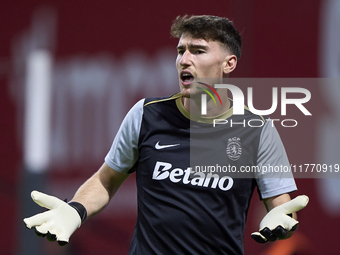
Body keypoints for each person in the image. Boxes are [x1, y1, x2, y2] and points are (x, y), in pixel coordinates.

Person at [24, 15, 309, 255]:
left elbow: (281, 207)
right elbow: (105, 180)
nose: (184, 60)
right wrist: (76, 209)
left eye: (198, 51)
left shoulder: (258, 129)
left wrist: (282, 219)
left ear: (229, 64)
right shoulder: (146, 115)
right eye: (180, 50)